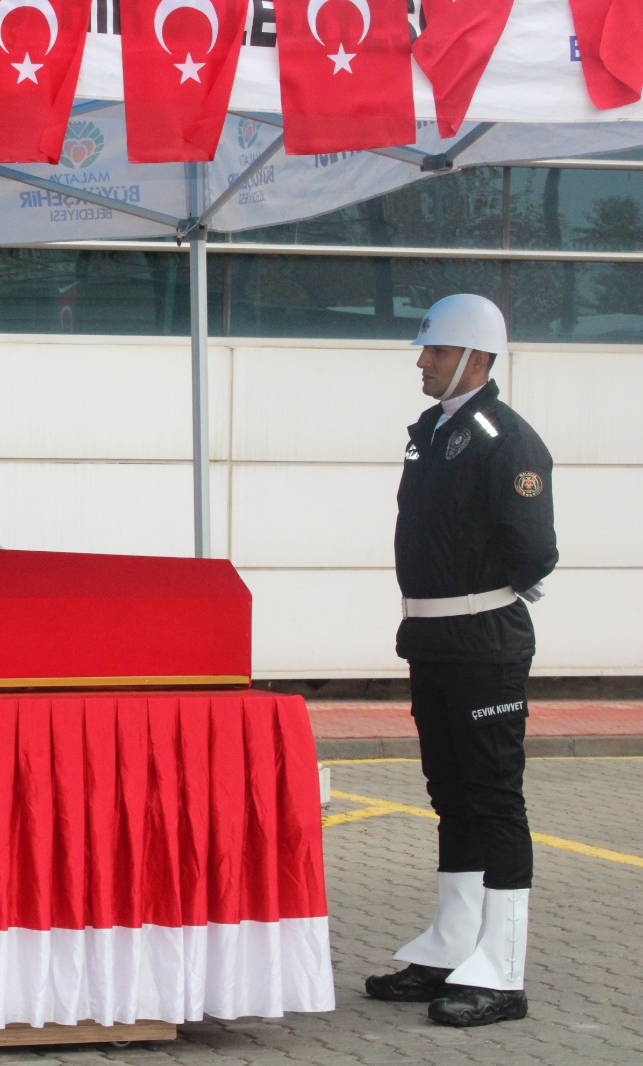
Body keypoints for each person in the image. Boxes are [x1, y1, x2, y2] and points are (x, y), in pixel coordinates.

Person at [364, 294, 557, 1028]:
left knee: (494, 801)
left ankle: (501, 971)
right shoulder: (435, 431)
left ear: (476, 358)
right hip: (436, 641)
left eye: (436, 351)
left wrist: (492, 588)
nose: (423, 361)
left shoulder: (505, 440)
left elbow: (533, 548)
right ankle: (452, 945)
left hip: (484, 645)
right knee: (451, 796)